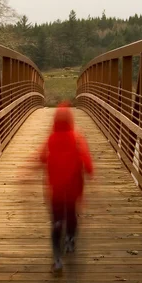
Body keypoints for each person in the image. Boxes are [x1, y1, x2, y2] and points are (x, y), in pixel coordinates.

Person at [39, 102, 94, 273]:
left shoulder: (51, 138)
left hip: (55, 190)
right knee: (71, 215)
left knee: (57, 220)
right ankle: (70, 240)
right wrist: (89, 171)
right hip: (73, 189)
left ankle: (57, 260)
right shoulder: (77, 138)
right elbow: (88, 164)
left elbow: (41, 158)